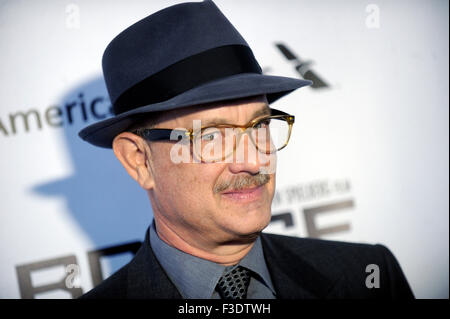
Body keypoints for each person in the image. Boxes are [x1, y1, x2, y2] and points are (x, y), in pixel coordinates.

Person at [78, 0, 414, 299]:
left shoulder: (368, 276)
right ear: (140, 160)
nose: (253, 161)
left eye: (260, 126)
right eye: (211, 136)